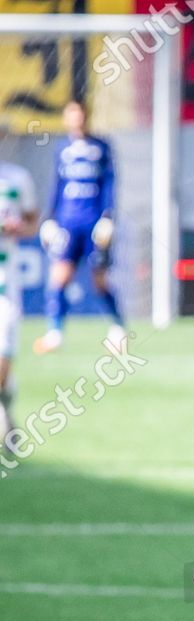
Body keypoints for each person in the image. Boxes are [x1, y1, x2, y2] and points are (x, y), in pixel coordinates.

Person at [33, 101, 128, 356]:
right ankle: (55, 333)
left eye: (80, 115)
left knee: (99, 280)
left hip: (93, 223)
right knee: (58, 277)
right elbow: (57, 184)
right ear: (66, 119)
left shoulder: (101, 147)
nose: (76, 120)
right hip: (68, 222)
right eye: (71, 115)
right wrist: (50, 217)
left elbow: (109, 184)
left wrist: (108, 217)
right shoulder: (62, 148)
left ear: (86, 117)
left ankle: (118, 329)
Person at [0, 151, 39, 449]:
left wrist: (17, 228)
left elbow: (31, 222)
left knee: (4, 357)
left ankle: (6, 409)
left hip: (6, 285)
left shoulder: (16, 178)